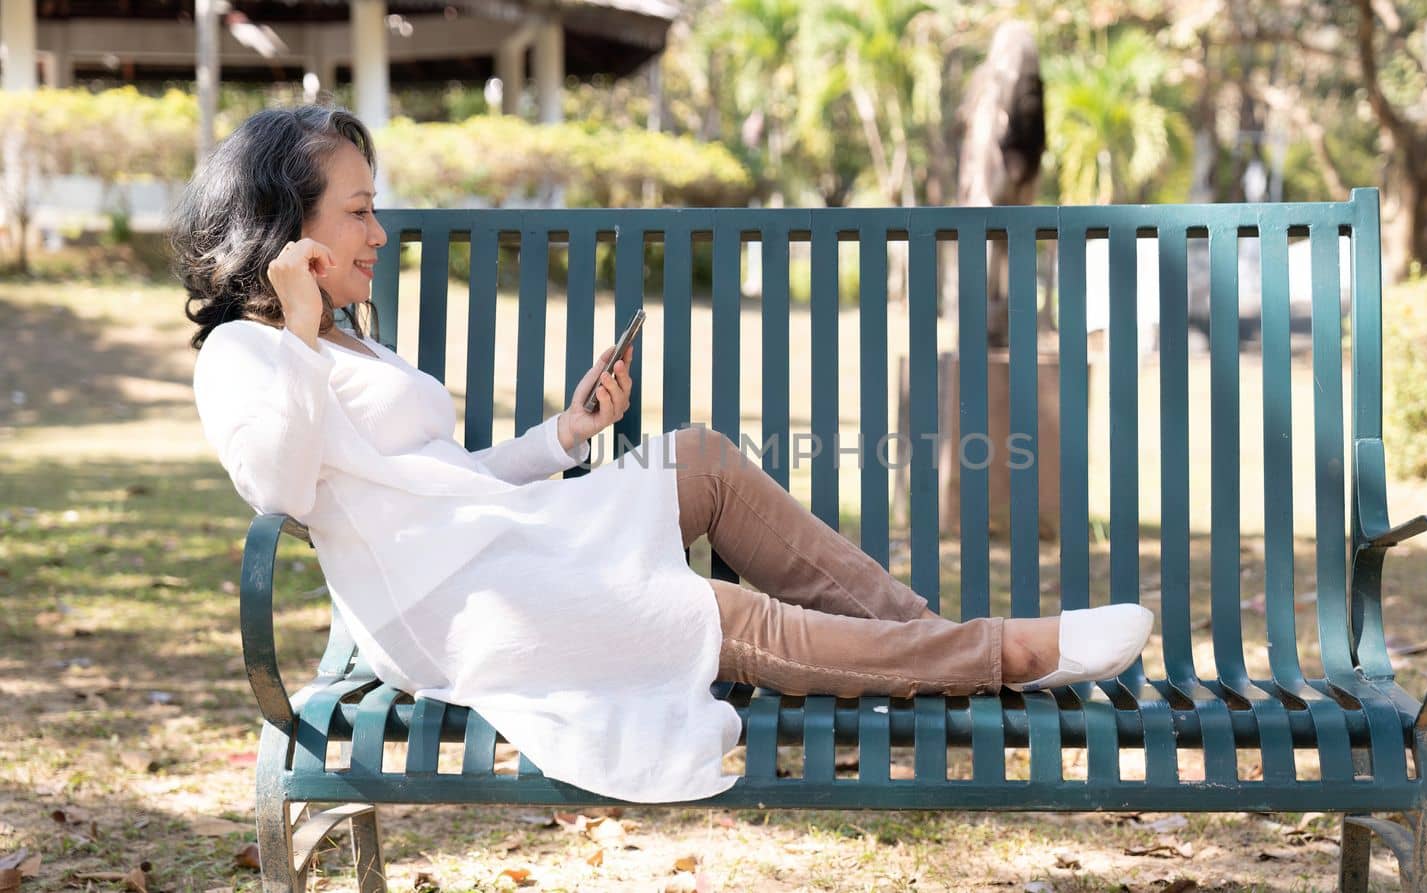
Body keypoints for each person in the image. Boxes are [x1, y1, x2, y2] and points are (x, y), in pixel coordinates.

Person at [176, 104, 1154, 804]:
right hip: (455, 611)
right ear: (286, 223)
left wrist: (566, 435)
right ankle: (1001, 653)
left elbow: (445, 486)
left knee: (697, 457)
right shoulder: (248, 349)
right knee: (710, 611)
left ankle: (928, 640)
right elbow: (277, 484)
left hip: (497, 548)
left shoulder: (348, 340)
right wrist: (297, 328)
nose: (379, 231)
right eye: (356, 210)